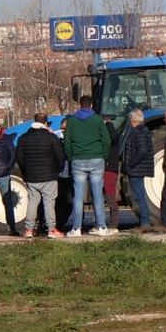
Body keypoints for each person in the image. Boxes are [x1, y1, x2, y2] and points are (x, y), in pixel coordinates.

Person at [62, 94, 113, 237]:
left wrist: (72, 157)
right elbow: (106, 140)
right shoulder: (97, 120)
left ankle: (76, 228)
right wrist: (103, 155)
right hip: (96, 159)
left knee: (78, 196)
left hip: (78, 160)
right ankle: (101, 227)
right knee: (97, 194)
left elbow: (67, 142)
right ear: (91, 105)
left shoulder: (72, 121)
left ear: (80, 105)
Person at [16, 113, 66, 238]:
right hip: (49, 175)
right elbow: (60, 156)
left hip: (32, 176)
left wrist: (25, 172)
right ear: (45, 123)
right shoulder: (52, 138)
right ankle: (51, 229)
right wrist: (58, 170)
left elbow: (19, 158)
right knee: (49, 203)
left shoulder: (23, 138)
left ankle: (29, 230)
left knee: (33, 202)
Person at [117, 108, 156, 232]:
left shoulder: (138, 132)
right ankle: (144, 221)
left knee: (139, 196)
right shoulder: (140, 131)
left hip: (136, 169)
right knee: (139, 195)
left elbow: (142, 151)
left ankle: (145, 222)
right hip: (137, 168)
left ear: (133, 119)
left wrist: (130, 164)